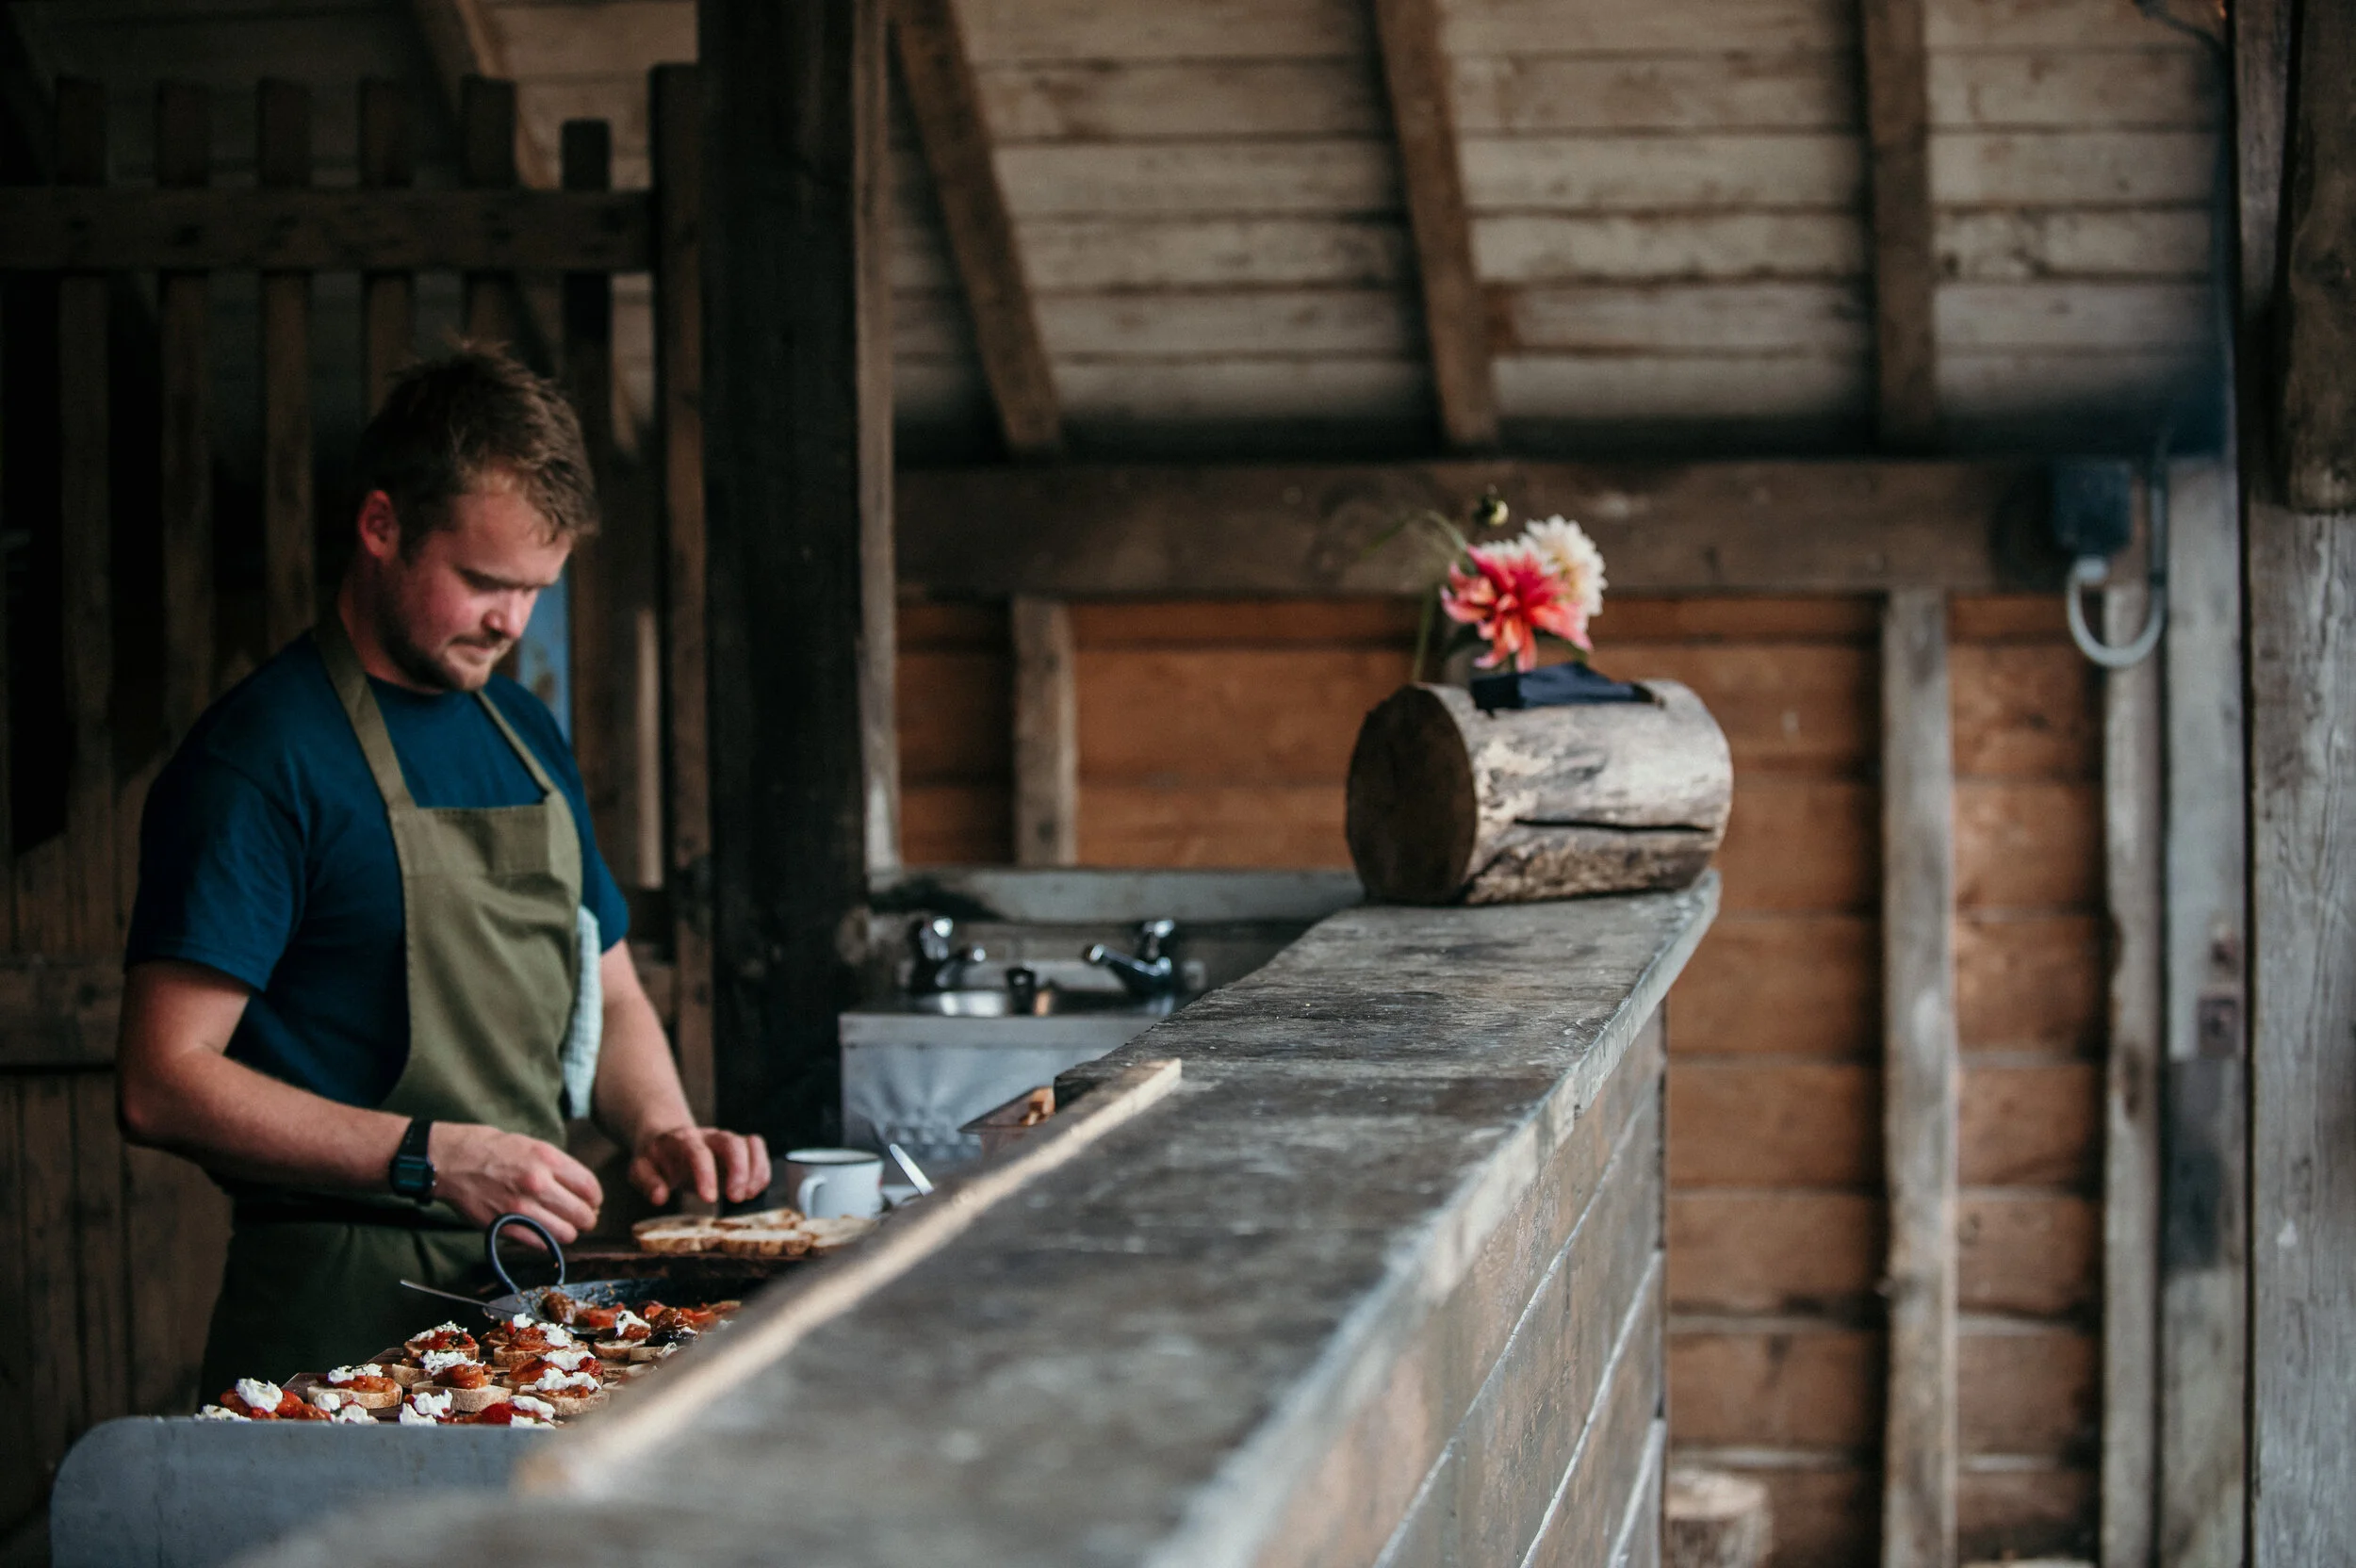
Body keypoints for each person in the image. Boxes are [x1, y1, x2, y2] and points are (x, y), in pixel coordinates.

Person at [114, 348, 769, 1393]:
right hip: (331, 1310)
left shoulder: (523, 730)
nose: (511, 622)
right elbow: (162, 1079)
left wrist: (661, 1127)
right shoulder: (263, 757)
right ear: (381, 527)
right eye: (483, 582)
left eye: (534, 590)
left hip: (525, 1296)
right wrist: (433, 1155)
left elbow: (608, 985)